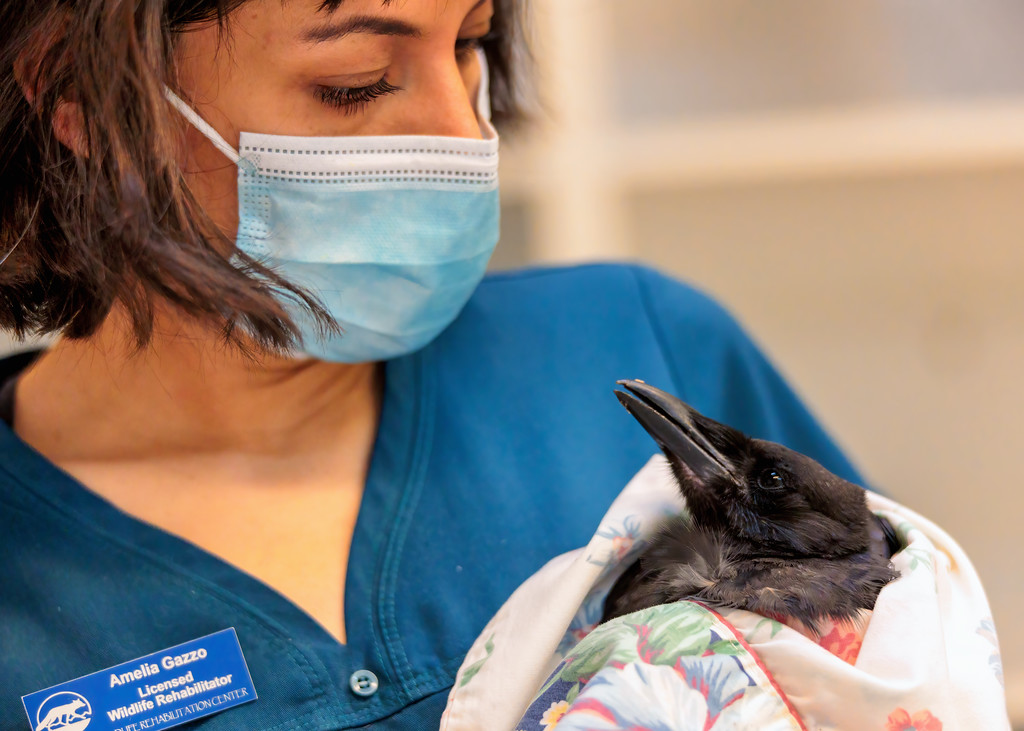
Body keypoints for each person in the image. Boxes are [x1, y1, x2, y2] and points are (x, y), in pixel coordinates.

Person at [0, 1, 863, 728]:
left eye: (468, 45)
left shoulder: (642, 343)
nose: (462, 134)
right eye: (357, 82)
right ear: (81, 97)